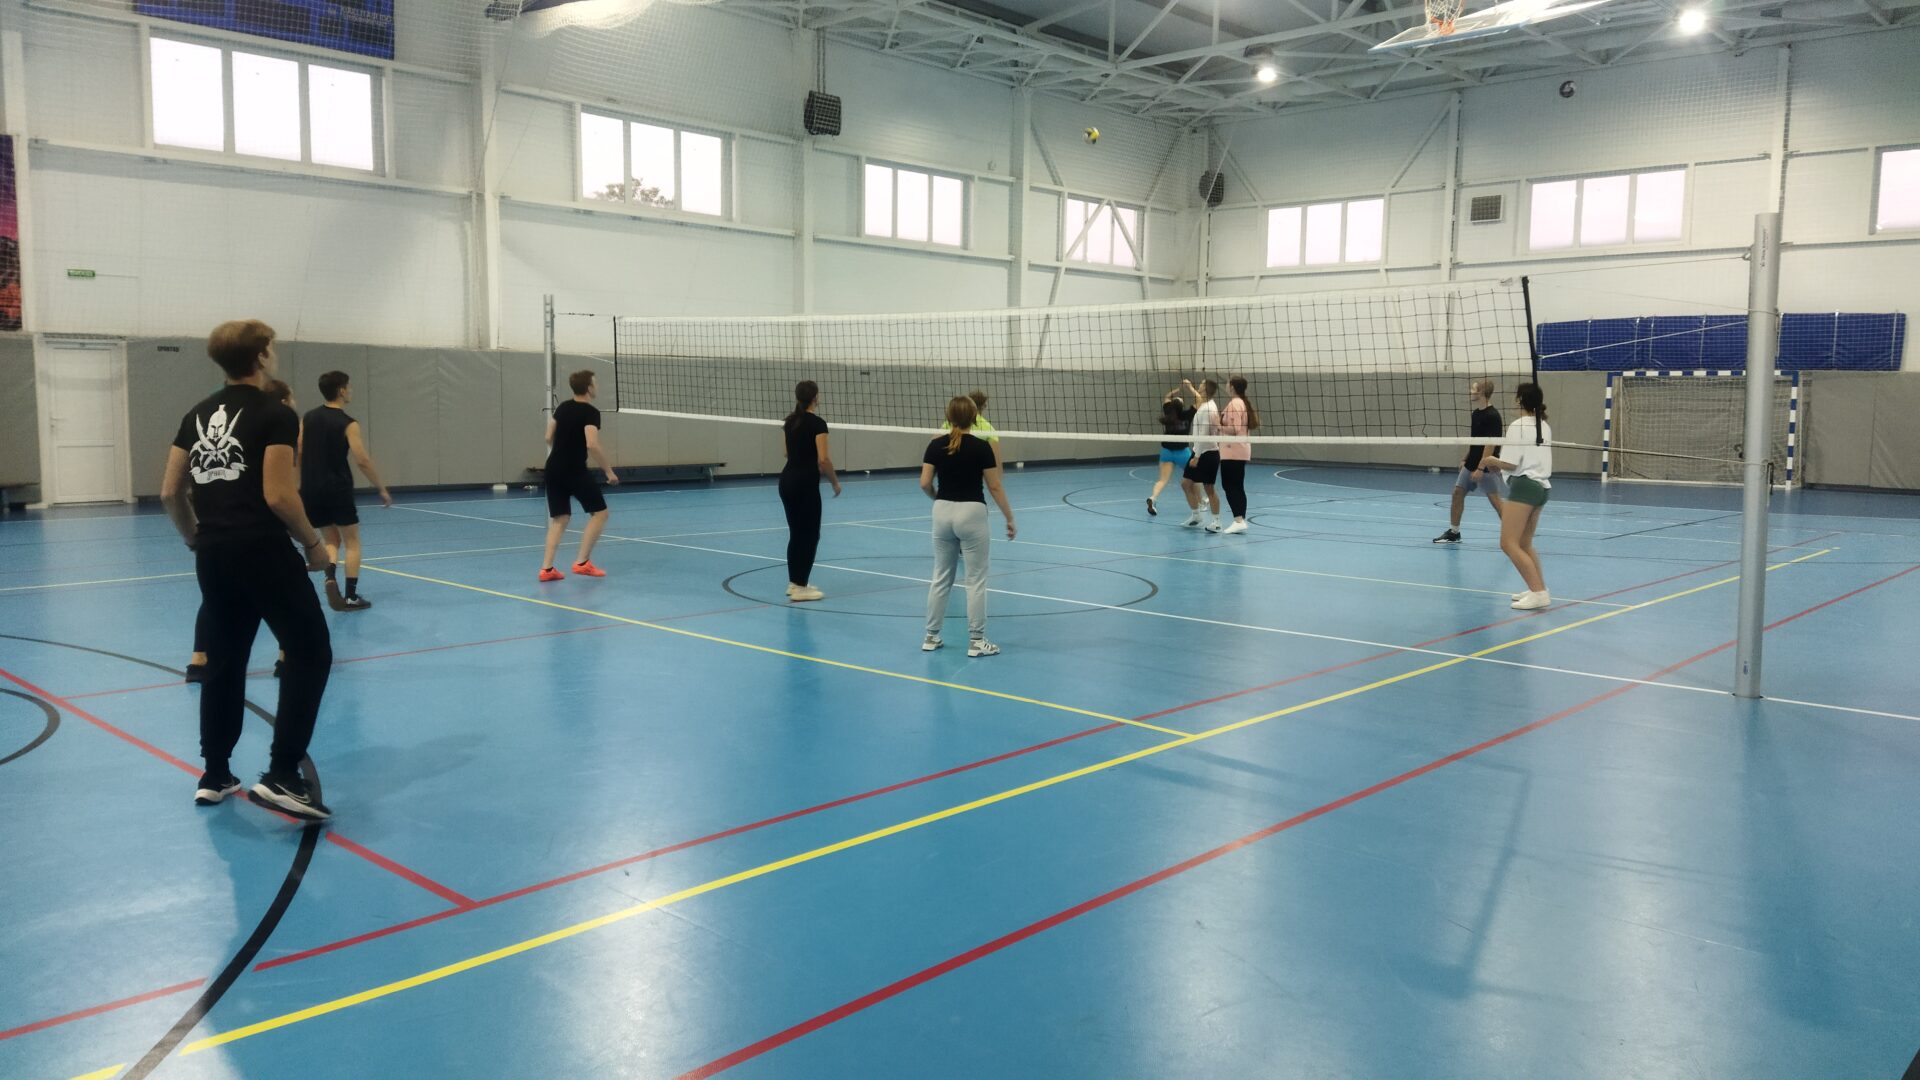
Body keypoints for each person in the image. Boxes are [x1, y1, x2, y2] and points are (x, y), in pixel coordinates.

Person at [159, 320, 334, 821]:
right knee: (310, 651)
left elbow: (170, 491)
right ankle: (282, 774)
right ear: (260, 357)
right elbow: (279, 495)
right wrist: (314, 544)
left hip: (213, 556)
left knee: (224, 661)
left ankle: (215, 774)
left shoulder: (195, 414)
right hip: (263, 550)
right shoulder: (275, 413)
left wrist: (195, 537)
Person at [186, 378, 294, 682]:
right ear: (282, 402)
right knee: (280, 598)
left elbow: (180, 491)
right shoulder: (278, 429)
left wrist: (194, 534)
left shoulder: (226, 429)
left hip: (216, 533)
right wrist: (308, 539)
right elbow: (281, 493)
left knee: (215, 599)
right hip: (259, 533)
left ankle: (198, 660)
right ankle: (286, 656)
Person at [920, 396, 1016, 657]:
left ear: (948, 417)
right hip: (972, 513)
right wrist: (1009, 517)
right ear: (974, 419)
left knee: (941, 577)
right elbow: (994, 486)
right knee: (975, 580)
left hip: (942, 512)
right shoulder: (981, 446)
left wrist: (938, 498)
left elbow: (925, 483)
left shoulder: (935, 444)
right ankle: (976, 641)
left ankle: (931, 636)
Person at [302, 370, 393, 610]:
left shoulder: (308, 418)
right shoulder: (348, 423)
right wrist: (381, 488)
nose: (351, 391)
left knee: (330, 539)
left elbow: (298, 450)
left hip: (311, 489)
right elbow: (362, 460)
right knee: (352, 542)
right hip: (337, 488)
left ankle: (330, 577)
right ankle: (351, 596)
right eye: (349, 387)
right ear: (341, 390)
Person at [539, 370, 620, 582]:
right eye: (595, 383)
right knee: (600, 513)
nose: (597, 386)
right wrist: (609, 471)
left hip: (553, 468)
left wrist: (562, 449)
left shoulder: (562, 407)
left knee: (560, 519)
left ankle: (546, 569)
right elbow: (591, 444)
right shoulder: (591, 412)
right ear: (589, 388)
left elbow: (548, 436)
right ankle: (582, 563)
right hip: (574, 470)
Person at [1479, 382, 1553, 611]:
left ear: (1520, 400)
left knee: (1508, 543)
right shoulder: (1543, 425)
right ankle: (1538, 588)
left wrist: (1490, 461)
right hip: (1542, 487)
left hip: (1524, 487)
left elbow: (1510, 463)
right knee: (1524, 543)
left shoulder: (1518, 426)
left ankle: (1538, 593)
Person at [779, 380, 841, 602]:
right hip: (804, 484)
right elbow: (823, 459)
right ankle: (800, 587)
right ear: (816, 397)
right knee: (811, 535)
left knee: (796, 533)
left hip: (787, 481)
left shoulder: (790, 422)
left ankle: (795, 583)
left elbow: (786, 453)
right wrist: (835, 482)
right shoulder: (818, 424)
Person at [1433, 378, 1506, 544]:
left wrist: (1480, 468)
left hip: (1486, 466)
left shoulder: (1493, 416)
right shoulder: (1476, 413)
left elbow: (1490, 444)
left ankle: (1514, 533)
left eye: (1473, 389)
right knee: (1457, 493)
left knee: (1496, 502)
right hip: (1471, 463)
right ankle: (1454, 532)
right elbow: (1476, 441)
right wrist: (1466, 458)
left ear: (1481, 392)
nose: (1470, 392)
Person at [1216, 375, 1259, 535]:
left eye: (1228, 383)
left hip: (1232, 451)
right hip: (1239, 450)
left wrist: (1217, 426)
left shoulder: (1235, 404)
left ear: (1232, 386)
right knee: (1237, 486)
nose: (1226, 385)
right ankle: (1240, 520)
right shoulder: (1241, 402)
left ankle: (1238, 520)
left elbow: (1234, 429)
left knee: (1230, 486)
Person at [1147, 385, 1198, 519]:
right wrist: (1188, 387)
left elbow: (1167, 397)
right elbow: (1199, 399)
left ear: (1171, 407)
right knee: (1195, 477)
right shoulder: (1187, 414)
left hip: (1167, 451)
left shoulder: (1168, 413)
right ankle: (1202, 501)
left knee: (1162, 480)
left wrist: (1177, 389)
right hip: (1182, 453)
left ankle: (1153, 498)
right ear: (1182, 407)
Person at [1182, 378, 1224, 531]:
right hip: (1199, 450)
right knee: (1186, 483)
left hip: (1207, 453)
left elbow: (1204, 434)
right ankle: (1196, 515)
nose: (1199, 385)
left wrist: (1196, 457)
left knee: (1209, 488)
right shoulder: (1206, 404)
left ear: (1205, 389)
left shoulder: (1208, 408)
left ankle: (1217, 522)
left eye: (1201, 384)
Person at [940, 389, 1001, 467]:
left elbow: (935, 442)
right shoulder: (988, 428)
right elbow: (997, 463)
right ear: (984, 406)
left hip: (950, 465)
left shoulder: (950, 422)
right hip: (974, 468)